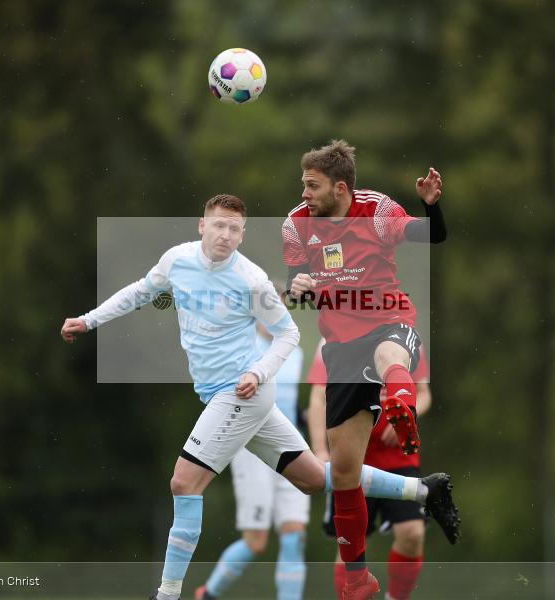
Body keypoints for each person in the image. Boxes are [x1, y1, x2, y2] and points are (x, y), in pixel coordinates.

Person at [61, 194, 455, 600]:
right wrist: (88, 320)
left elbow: (289, 334)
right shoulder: (176, 260)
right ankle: (424, 491)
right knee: (316, 479)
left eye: (234, 229)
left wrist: (258, 372)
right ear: (202, 225)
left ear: (242, 235)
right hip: (221, 395)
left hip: (242, 393)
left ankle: (167, 594)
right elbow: (140, 292)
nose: (225, 235)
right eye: (218, 225)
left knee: (184, 483)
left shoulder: (252, 280)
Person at [282, 140, 460, 600]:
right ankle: (358, 580)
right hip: (338, 347)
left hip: (388, 319)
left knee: (389, 358)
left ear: (340, 188)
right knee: (343, 473)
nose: (304, 194)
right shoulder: (296, 225)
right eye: (303, 185)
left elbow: (432, 237)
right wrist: (296, 286)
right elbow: (295, 285)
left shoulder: (377, 210)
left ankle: (398, 400)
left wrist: (430, 207)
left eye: (312, 186)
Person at [309, 339, 432, 600]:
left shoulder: (408, 338)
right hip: (352, 457)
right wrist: (319, 449)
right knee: (350, 548)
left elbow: (424, 393)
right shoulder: (332, 338)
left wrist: (408, 414)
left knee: (412, 533)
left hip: (399, 459)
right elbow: (319, 396)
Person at [195, 322, 309, 600]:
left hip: (291, 445)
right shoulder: (242, 348)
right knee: (256, 541)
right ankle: (208, 594)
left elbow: (288, 400)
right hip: (253, 447)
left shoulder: (295, 351)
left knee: (295, 535)